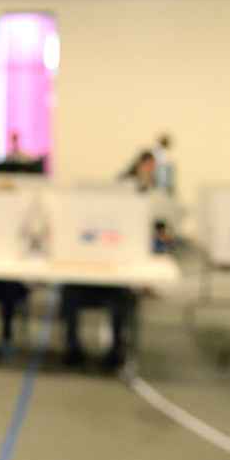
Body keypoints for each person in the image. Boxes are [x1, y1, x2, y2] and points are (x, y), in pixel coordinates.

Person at [61, 151, 158, 371]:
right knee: (68, 294)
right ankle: (72, 347)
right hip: (85, 277)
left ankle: (116, 350)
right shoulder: (123, 186)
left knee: (121, 299)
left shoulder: (136, 202)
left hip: (113, 279)